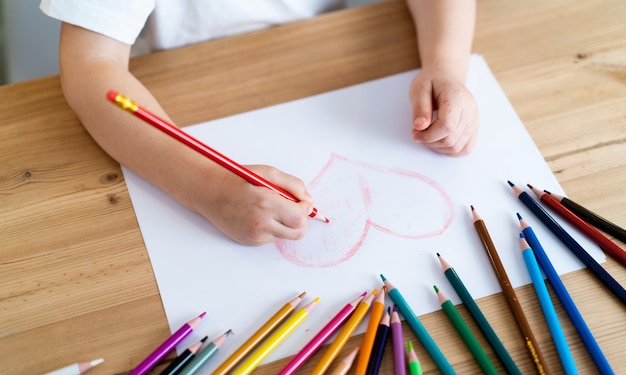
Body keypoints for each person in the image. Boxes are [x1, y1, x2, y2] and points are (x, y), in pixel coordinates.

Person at [40, 0, 478, 246]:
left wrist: (446, 63)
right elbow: (90, 68)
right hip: (184, 79)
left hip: (324, 59)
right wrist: (206, 188)